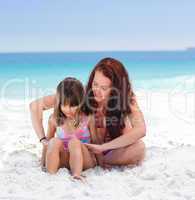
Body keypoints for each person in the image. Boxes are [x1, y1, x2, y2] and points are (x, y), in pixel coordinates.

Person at [30, 57, 146, 171]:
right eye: (95, 84)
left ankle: (92, 163)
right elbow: (35, 106)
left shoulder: (127, 100)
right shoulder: (82, 94)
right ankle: (77, 161)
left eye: (104, 88)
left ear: (116, 88)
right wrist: (42, 139)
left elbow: (141, 130)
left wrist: (102, 148)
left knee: (139, 148)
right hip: (82, 151)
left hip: (110, 151)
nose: (97, 90)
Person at [39, 77, 96, 180]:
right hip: (65, 160)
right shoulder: (54, 120)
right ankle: (50, 175)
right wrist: (42, 162)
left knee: (74, 142)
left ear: (82, 101)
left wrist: (102, 164)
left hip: (84, 161)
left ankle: (76, 175)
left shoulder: (89, 118)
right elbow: (47, 145)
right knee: (54, 141)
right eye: (64, 105)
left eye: (73, 105)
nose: (68, 110)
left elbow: (97, 142)